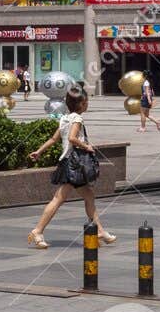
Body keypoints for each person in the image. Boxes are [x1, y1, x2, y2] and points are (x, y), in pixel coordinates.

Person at [25, 85, 114, 248]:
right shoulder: (77, 119)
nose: (88, 104)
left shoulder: (65, 118)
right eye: (86, 101)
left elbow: (53, 139)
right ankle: (37, 231)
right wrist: (86, 146)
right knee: (58, 199)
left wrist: (39, 151)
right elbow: (73, 138)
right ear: (81, 103)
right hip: (73, 164)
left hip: (69, 163)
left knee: (88, 196)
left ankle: (100, 231)